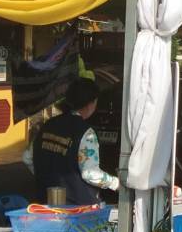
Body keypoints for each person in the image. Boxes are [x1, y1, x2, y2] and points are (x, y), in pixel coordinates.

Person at [25, 78, 119, 206]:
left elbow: (27, 157)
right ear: (91, 103)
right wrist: (116, 183)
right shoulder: (86, 132)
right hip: (78, 209)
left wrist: (45, 176)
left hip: (45, 204)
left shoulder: (48, 125)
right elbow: (90, 173)